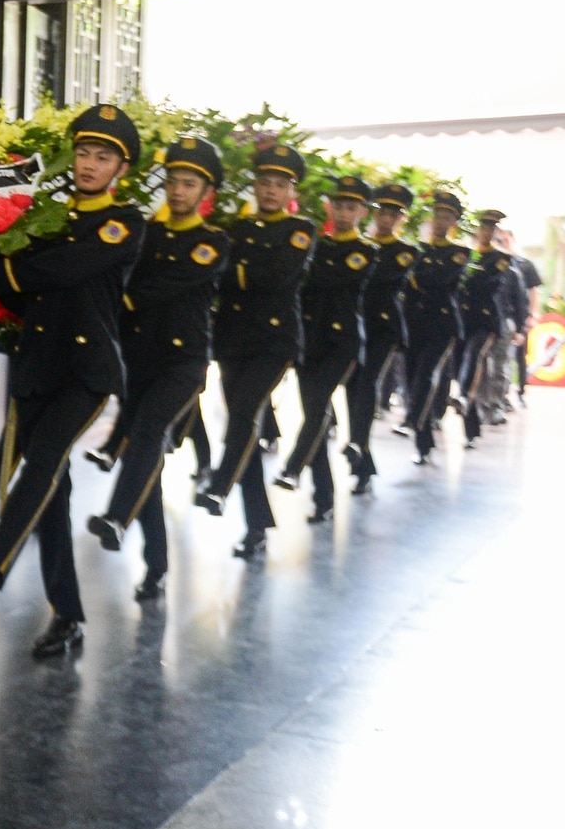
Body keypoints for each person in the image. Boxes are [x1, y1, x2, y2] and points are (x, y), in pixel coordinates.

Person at [0, 104, 144, 657]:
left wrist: (5, 270)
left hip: (88, 371)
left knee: (43, 462)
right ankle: (68, 615)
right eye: (83, 152)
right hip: (36, 364)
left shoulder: (124, 222)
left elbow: (67, 269)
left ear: (120, 169)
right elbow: (15, 293)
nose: (89, 163)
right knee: (51, 494)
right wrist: (0, 267)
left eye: (103, 156)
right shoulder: (41, 217)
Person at [84, 135, 229, 602]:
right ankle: (158, 567)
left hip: (183, 364)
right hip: (139, 360)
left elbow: (163, 284)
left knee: (147, 434)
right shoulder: (146, 230)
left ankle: (115, 517)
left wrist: (119, 300)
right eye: (172, 181)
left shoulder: (212, 243)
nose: (178, 190)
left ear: (205, 192)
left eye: (189, 184)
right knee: (145, 463)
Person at [194, 143, 315, 559]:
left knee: (245, 416)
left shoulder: (300, 231)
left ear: (290, 190)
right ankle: (257, 525)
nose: (270, 191)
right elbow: (218, 273)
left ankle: (218, 485)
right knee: (245, 431)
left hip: (274, 343)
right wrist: (237, 271)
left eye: (279, 185)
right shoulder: (235, 229)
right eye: (264, 183)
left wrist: (234, 270)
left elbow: (277, 277)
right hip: (232, 340)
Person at [273, 177, 375, 523]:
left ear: (362, 212)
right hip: (310, 341)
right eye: (339, 205)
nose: (344, 213)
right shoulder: (318, 244)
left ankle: (291, 468)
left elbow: (326, 279)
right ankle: (324, 498)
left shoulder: (365, 250)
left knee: (316, 413)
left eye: (351, 207)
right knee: (315, 416)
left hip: (341, 343)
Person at [342, 183, 414, 495]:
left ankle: (358, 444)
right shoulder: (358, 244)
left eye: (393, 214)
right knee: (350, 387)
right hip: (354, 325)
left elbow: (382, 277)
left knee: (367, 384)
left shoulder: (405, 252)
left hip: (382, 328)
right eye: (382, 212)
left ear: (402, 218)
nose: (386, 218)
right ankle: (362, 459)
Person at [401, 193, 469, 465]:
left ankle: (410, 419)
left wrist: (413, 274)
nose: (440, 221)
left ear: (454, 221)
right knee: (411, 379)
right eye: (437, 215)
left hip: (442, 326)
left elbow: (438, 280)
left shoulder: (459, 253)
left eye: (447, 216)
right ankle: (423, 441)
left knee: (426, 376)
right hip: (414, 324)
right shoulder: (417, 250)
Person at [456, 209, 520, 444]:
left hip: (485, 320)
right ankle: (470, 425)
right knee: (465, 369)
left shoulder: (501, 258)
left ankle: (463, 397)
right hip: (462, 319)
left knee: (474, 358)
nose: (486, 231)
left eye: (491, 228)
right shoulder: (465, 254)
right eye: (483, 227)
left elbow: (487, 284)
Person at [499, 227, 542, 404]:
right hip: (501, 316)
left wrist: (532, 314)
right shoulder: (495, 264)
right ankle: (503, 396)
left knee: (520, 356)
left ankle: (521, 391)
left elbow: (533, 290)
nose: (503, 244)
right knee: (503, 358)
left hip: (521, 315)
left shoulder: (524, 264)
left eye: (506, 240)